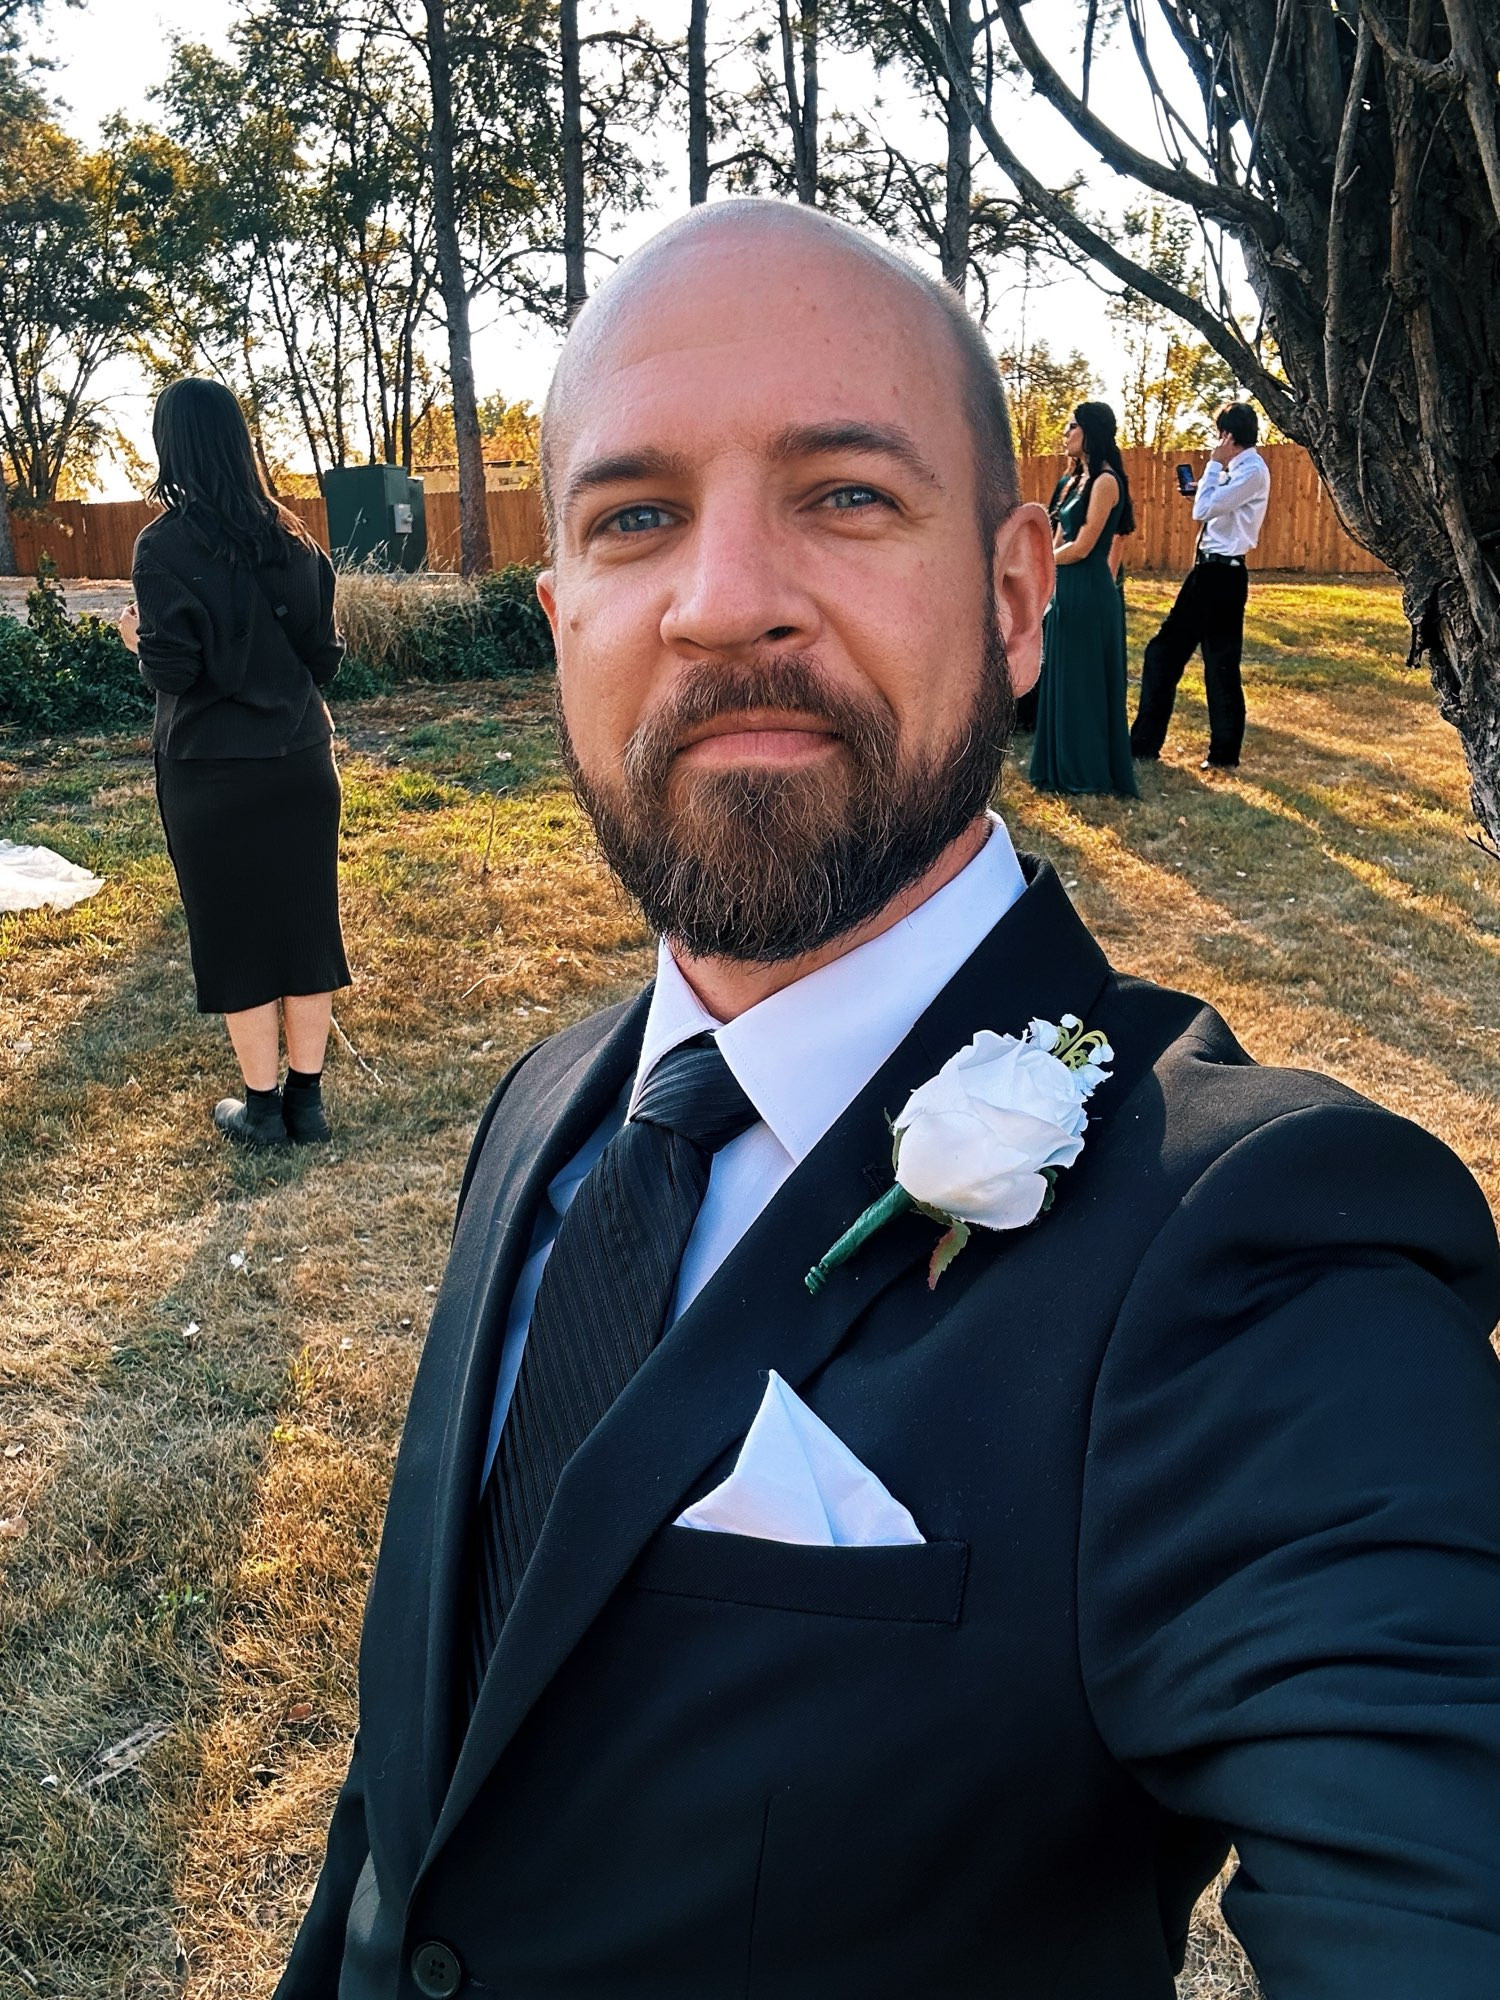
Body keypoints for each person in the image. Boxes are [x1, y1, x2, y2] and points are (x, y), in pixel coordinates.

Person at [277, 202, 1500, 2000]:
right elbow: (418, 1820)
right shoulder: (550, 1108)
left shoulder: (1254, 1244)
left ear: (1016, 597)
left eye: (845, 496)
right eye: (634, 520)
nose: (721, 600)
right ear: (562, 626)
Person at [118, 378, 348, 1147]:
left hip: (211, 773)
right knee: (308, 927)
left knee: (236, 936)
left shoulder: (162, 546)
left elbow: (173, 673)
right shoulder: (295, 540)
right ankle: (307, 1105)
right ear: (240, 442)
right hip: (300, 762)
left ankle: (260, 1107)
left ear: (169, 446)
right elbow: (324, 658)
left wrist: (134, 639)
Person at [1130, 402, 1270, 770]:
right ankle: (1222, 755)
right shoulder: (1238, 471)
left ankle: (1144, 744)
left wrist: (1211, 466)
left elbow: (1202, 511)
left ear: (1228, 435)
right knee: (1219, 663)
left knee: (1166, 653)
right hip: (1216, 572)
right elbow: (1212, 504)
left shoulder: (1251, 470)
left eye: (1219, 433)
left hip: (1217, 575)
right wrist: (1208, 483)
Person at [1029, 401, 1137, 797]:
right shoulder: (1074, 480)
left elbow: (1085, 545)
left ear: (1090, 431)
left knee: (1085, 683)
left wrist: (1043, 562)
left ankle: (1087, 772)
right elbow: (1059, 536)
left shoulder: (1106, 481)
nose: (1066, 433)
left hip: (1089, 592)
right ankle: (1058, 767)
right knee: (1062, 678)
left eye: (1072, 426)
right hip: (1064, 591)